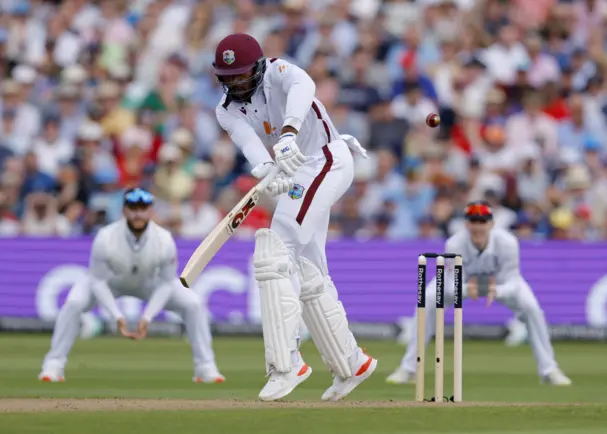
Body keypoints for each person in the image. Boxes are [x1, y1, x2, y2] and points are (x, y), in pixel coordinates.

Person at [213, 33, 375, 402]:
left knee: (273, 253)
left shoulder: (279, 72)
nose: (236, 83)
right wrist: (270, 172)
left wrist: (288, 132)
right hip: (299, 173)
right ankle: (351, 362)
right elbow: (254, 150)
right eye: (229, 77)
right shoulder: (226, 110)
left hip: (326, 159)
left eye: (241, 74)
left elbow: (306, 84)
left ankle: (286, 365)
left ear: (256, 67)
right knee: (308, 267)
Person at [38, 188, 224, 384]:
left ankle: (205, 367)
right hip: (111, 282)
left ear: (151, 211)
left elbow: (168, 283)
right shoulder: (105, 237)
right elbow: (97, 282)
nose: (138, 213)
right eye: (133, 208)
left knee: (193, 304)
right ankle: (54, 364)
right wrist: (117, 316)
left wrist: (147, 317)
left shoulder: (164, 239)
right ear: (124, 211)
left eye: (143, 208)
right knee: (74, 303)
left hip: (149, 283)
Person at [386, 201, 572, 386]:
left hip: (499, 285)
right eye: (473, 221)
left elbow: (513, 281)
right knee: (428, 300)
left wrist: (497, 291)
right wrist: (467, 289)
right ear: (466, 224)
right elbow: (450, 283)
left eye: (482, 221)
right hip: (464, 284)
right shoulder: (455, 243)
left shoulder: (507, 243)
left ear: (491, 224)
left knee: (532, 308)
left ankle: (549, 370)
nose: (478, 226)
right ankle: (409, 368)